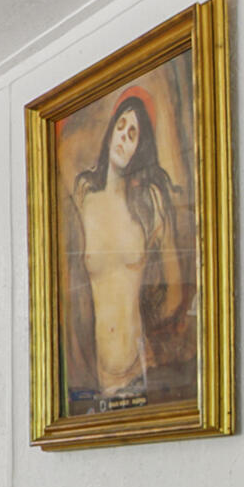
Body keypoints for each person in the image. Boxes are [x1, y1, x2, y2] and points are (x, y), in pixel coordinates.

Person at [66, 91, 195, 411]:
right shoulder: (85, 196)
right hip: (97, 378)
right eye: (120, 127)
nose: (122, 137)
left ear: (141, 147)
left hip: (139, 368)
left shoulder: (149, 203)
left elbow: (175, 285)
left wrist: (156, 332)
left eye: (132, 133)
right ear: (109, 131)